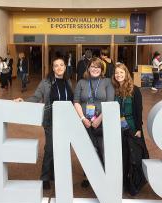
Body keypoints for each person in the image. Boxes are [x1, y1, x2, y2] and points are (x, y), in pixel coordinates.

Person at [14, 57, 73, 190]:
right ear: (52, 68)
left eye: (61, 65)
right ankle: (45, 176)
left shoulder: (68, 81)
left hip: (66, 121)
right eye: (56, 65)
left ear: (65, 67)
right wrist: (24, 101)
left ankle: (56, 174)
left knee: (63, 148)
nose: (59, 68)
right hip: (51, 120)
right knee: (50, 148)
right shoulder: (46, 82)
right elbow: (36, 96)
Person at [73, 57, 115, 188]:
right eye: (92, 66)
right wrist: (83, 119)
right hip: (85, 122)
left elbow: (110, 102)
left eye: (98, 67)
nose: (95, 69)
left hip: (102, 121)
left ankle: (103, 175)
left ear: (102, 69)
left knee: (102, 148)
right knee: (88, 149)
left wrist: (99, 119)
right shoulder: (81, 82)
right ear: (88, 68)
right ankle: (88, 175)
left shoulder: (107, 82)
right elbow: (76, 102)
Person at [111, 62, 149, 196]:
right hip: (117, 127)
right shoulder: (114, 89)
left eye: (121, 72)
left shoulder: (134, 89)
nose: (119, 75)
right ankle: (121, 182)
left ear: (126, 73)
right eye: (116, 73)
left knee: (133, 156)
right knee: (122, 155)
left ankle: (133, 183)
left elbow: (139, 110)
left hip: (132, 127)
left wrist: (139, 128)